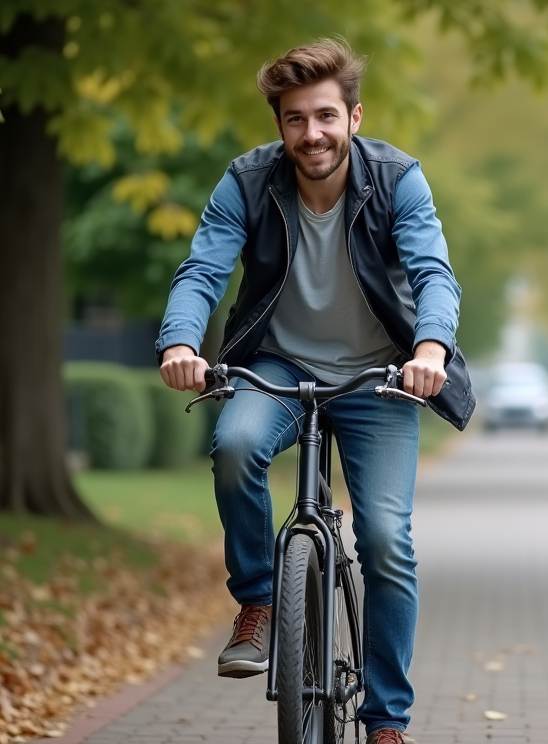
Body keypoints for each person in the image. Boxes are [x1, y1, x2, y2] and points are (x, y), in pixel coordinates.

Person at [156, 37, 474, 744]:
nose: (313, 134)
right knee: (235, 446)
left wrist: (429, 349)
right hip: (275, 367)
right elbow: (201, 271)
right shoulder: (246, 182)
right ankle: (260, 604)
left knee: (388, 540)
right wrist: (180, 341)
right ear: (280, 126)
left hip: (380, 377)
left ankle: (386, 720)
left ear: (355, 117)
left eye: (326, 116)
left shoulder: (399, 179)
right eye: (296, 119)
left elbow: (433, 275)